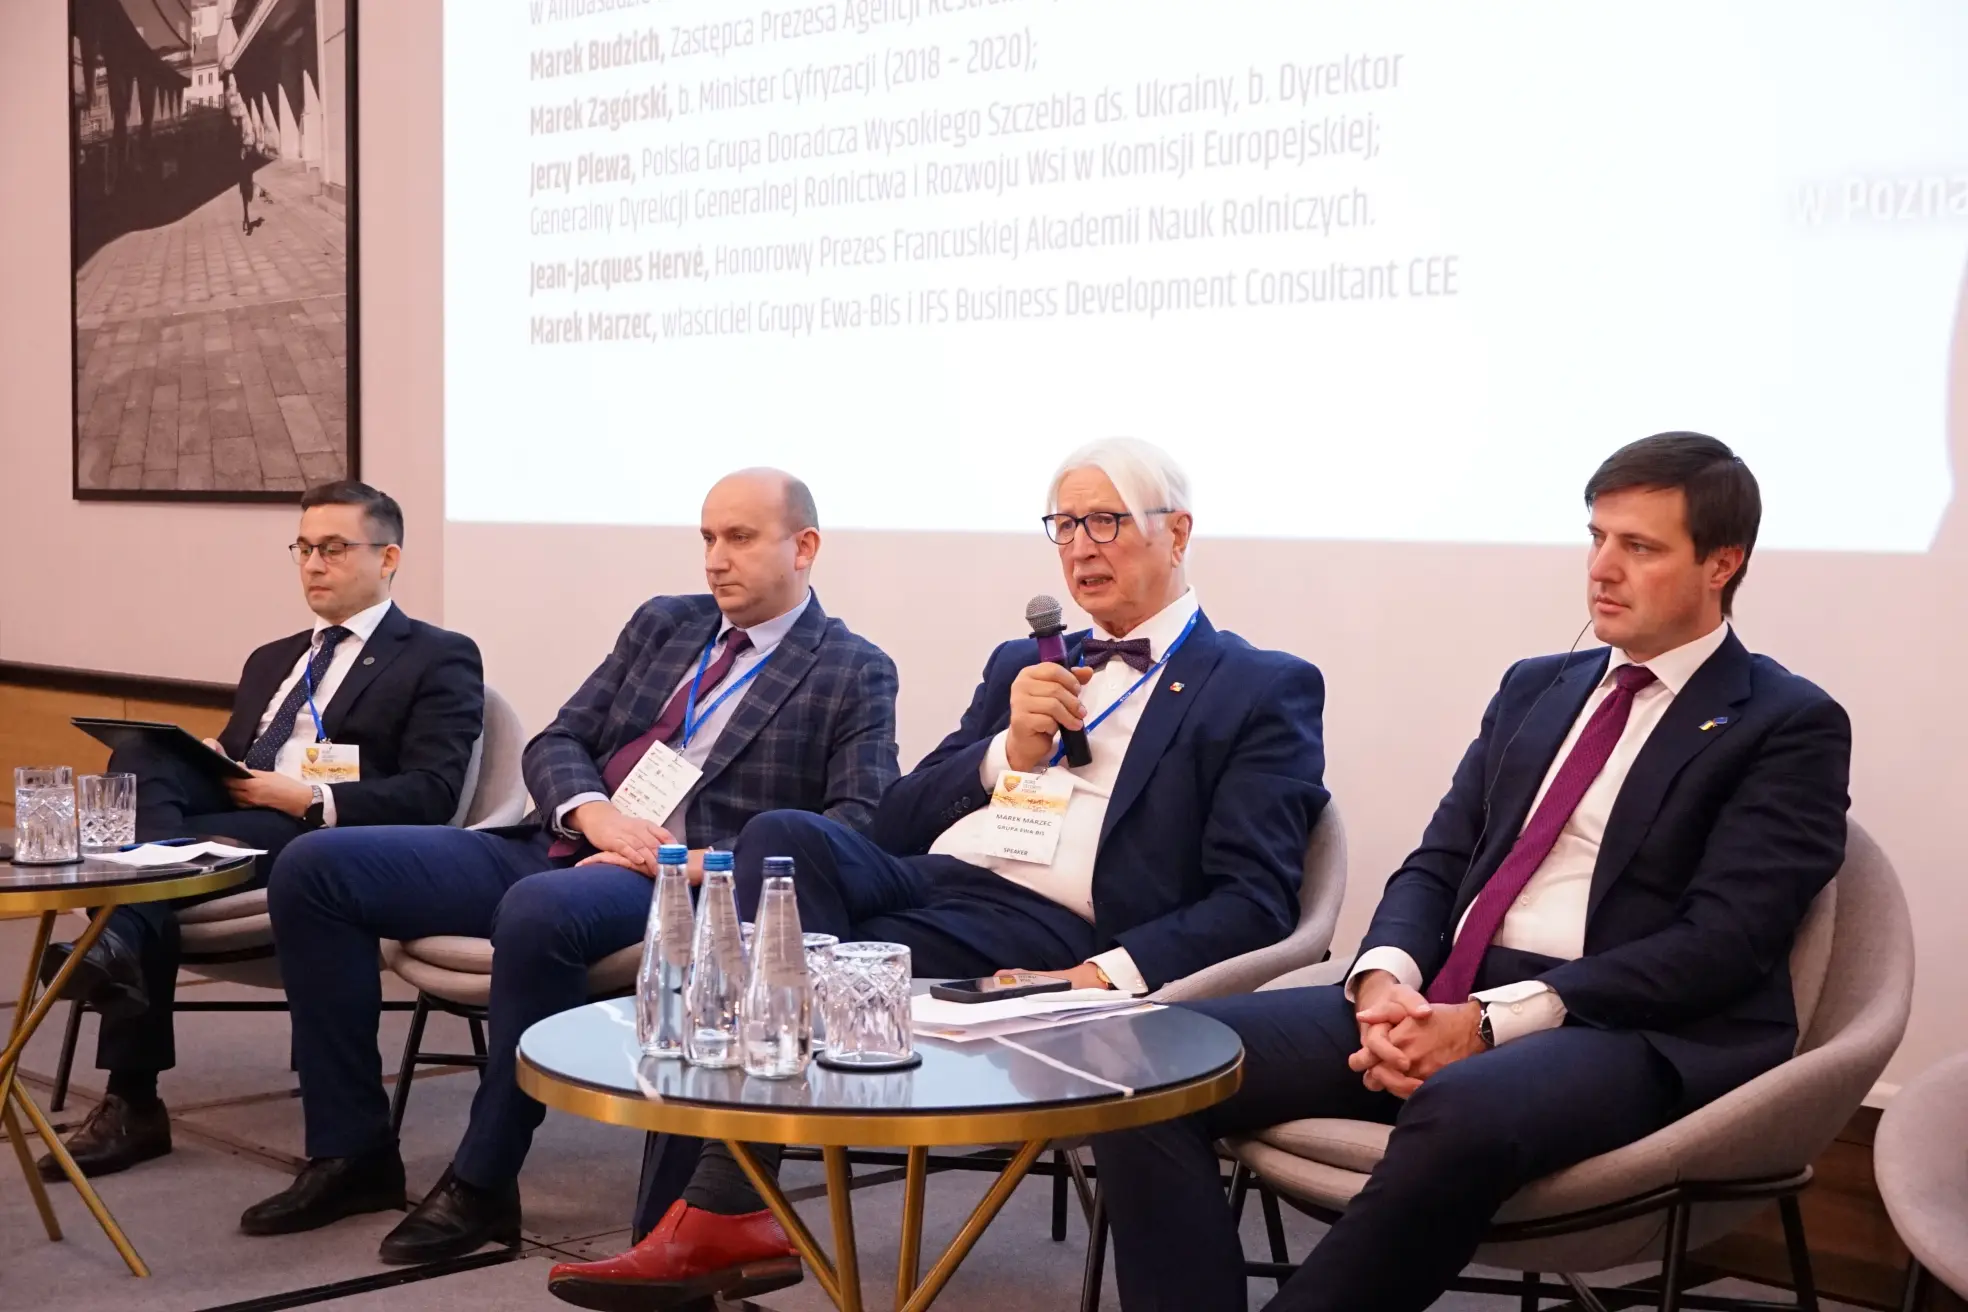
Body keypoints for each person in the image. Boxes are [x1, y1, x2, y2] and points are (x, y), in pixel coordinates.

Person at [549, 438, 1330, 1311]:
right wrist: (1004, 754)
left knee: (758, 968)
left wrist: (1101, 974)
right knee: (782, 845)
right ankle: (710, 1219)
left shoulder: (1259, 686)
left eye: (1106, 522)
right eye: (1066, 525)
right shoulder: (1022, 663)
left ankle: (704, 1224)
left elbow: (1257, 901)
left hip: (1052, 923)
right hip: (936, 883)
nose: (1081, 547)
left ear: (1177, 533)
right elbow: (896, 820)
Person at [1092, 432, 1853, 1312]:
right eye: (1598, 537)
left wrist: (1487, 1025)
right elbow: (1439, 862)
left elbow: (1721, 946)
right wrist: (1385, 981)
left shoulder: (1786, 724)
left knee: (1462, 1105)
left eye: (1640, 547)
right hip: (1448, 990)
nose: (1602, 568)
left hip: (1628, 1025)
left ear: (1723, 563)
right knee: (1144, 1058)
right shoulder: (1537, 687)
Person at [237, 469, 901, 1265]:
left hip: (675, 882)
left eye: (740, 538)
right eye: (707, 537)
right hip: (558, 841)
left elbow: (856, 827)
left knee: (543, 910)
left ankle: (483, 1178)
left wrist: (699, 863)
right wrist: (594, 815)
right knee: (316, 867)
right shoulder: (665, 623)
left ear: (805, 547)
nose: (715, 559)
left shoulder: (852, 668)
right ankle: (352, 1152)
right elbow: (558, 740)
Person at [37, 480, 484, 1181]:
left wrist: (306, 797)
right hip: (240, 812)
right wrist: (213, 758)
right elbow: (242, 755)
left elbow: (432, 793)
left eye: (333, 548)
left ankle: (132, 1095)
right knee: (146, 752)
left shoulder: (437, 655)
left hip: (322, 838)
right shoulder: (272, 657)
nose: (313, 565)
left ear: (388, 557)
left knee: (135, 882)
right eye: (303, 549)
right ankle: (127, 930)